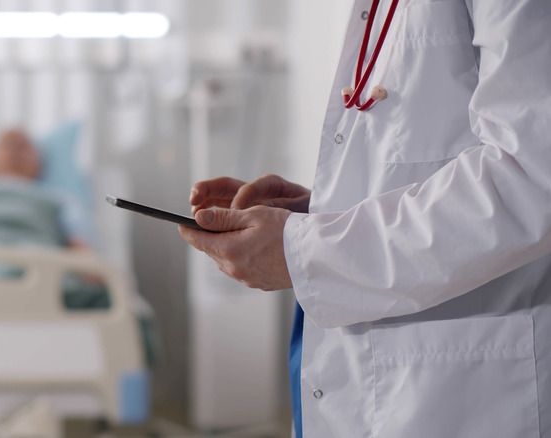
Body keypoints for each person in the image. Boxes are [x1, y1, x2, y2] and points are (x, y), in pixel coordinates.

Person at [179, 1, 551, 437]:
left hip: (461, 388)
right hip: (386, 376)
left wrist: (306, 249)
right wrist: (322, 214)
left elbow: (530, 177)